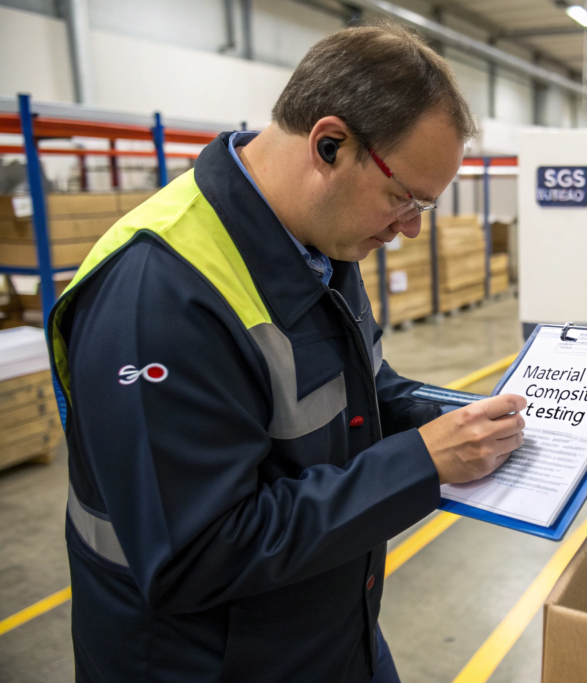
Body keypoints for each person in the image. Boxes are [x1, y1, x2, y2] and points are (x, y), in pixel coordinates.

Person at [47, 23, 526, 683]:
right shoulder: (159, 298)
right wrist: (421, 462)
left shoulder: (320, 239)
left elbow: (360, 391)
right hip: (209, 664)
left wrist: (463, 418)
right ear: (330, 144)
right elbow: (196, 555)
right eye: (404, 198)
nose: (412, 228)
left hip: (327, 633)